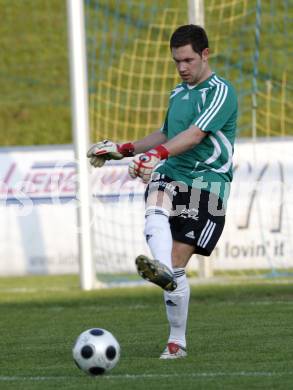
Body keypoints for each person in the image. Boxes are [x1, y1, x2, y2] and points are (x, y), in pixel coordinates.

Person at [87, 24, 238, 359]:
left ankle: (176, 338)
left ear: (205, 54)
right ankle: (162, 276)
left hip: (206, 184)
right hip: (171, 174)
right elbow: (166, 132)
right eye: (176, 62)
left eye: (187, 60)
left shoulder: (220, 91)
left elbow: (195, 135)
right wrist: (124, 149)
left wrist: (156, 155)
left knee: (176, 263)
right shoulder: (177, 93)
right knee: (156, 196)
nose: (182, 67)